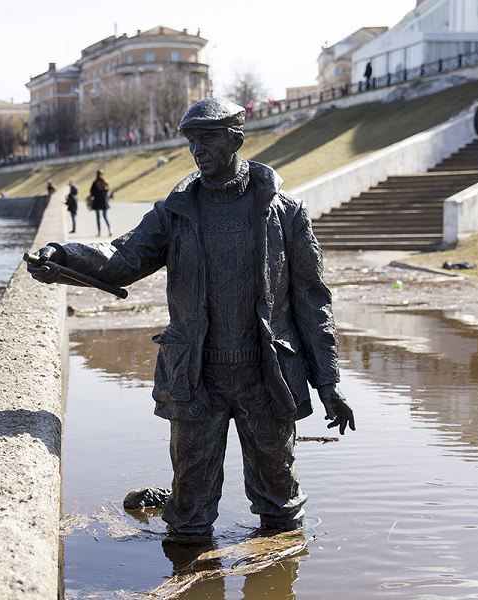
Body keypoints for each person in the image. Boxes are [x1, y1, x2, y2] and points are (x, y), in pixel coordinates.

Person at [27, 98, 355, 538]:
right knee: (189, 514)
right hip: (196, 377)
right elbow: (122, 258)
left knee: (280, 505)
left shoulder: (285, 213)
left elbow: (313, 302)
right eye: (191, 141)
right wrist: (64, 255)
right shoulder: (175, 212)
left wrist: (329, 383)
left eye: (208, 139)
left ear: (235, 138)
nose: (197, 150)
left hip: (267, 376)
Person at [89, 170, 112, 237]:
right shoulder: (105, 182)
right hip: (103, 202)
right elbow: (108, 192)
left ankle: (100, 232)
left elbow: (91, 192)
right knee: (105, 217)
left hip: (98, 201)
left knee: (99, 217)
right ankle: (109, 230)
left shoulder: (96, 182)